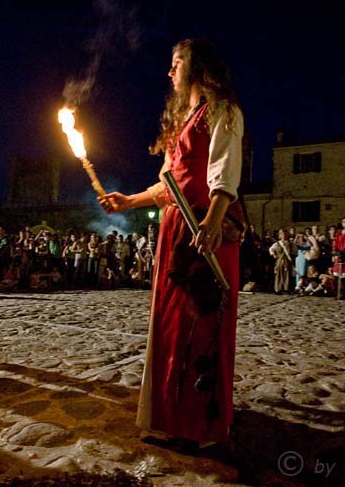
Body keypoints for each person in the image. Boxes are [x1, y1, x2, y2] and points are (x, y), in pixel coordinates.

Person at [99, 39, 245, 448]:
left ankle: (201, 428)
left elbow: (224, 174)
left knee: (200, 327)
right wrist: (129, 200)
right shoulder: (185, 121)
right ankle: (172, 419)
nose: (170, 71)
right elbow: (168, 186)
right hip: (176, 231)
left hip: (203, 233)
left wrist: (213, 223)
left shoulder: (222, 110)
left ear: (198, 67)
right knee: (171, 326)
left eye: (176, 62)